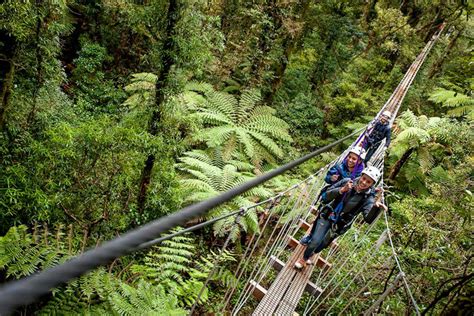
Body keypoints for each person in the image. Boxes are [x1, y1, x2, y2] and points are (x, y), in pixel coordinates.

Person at [294, 166, 381, 270]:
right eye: (364, 178)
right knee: (315, 241)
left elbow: (368, 219)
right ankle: (304, 258)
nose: (364, 182)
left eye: (368, 182)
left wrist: (376, 208)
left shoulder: (368, 198)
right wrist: (342, 190)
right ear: (361, 176)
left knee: (323, 244)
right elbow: (325, 196)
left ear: (372, 184)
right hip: (328, 214)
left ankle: (311, 254)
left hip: (340, 224)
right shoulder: (347, 181)